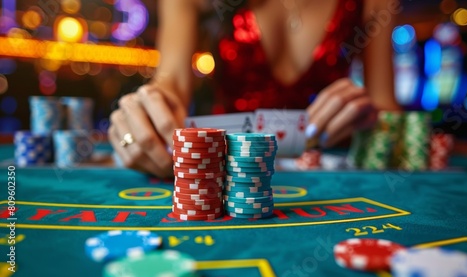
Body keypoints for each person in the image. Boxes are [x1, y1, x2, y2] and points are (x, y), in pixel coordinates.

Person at [109, 0, 400, 177]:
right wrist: (149, 109)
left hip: (330, 173)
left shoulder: (375, 2)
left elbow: (386, 108)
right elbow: (171, 85)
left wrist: (364, 111)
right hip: (230, 171)